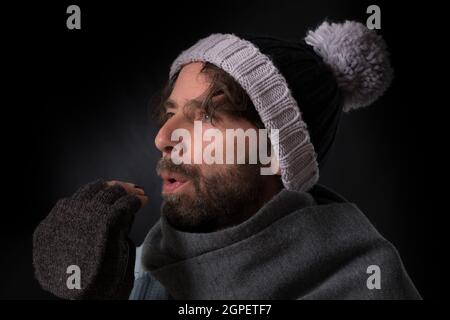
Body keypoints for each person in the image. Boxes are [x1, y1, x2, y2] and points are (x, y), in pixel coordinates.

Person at [33, 20, 421, 299]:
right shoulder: (143, 267)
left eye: (205, 116)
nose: (164, 138)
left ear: (274, 153)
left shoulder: (366, 284)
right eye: (171, 114)